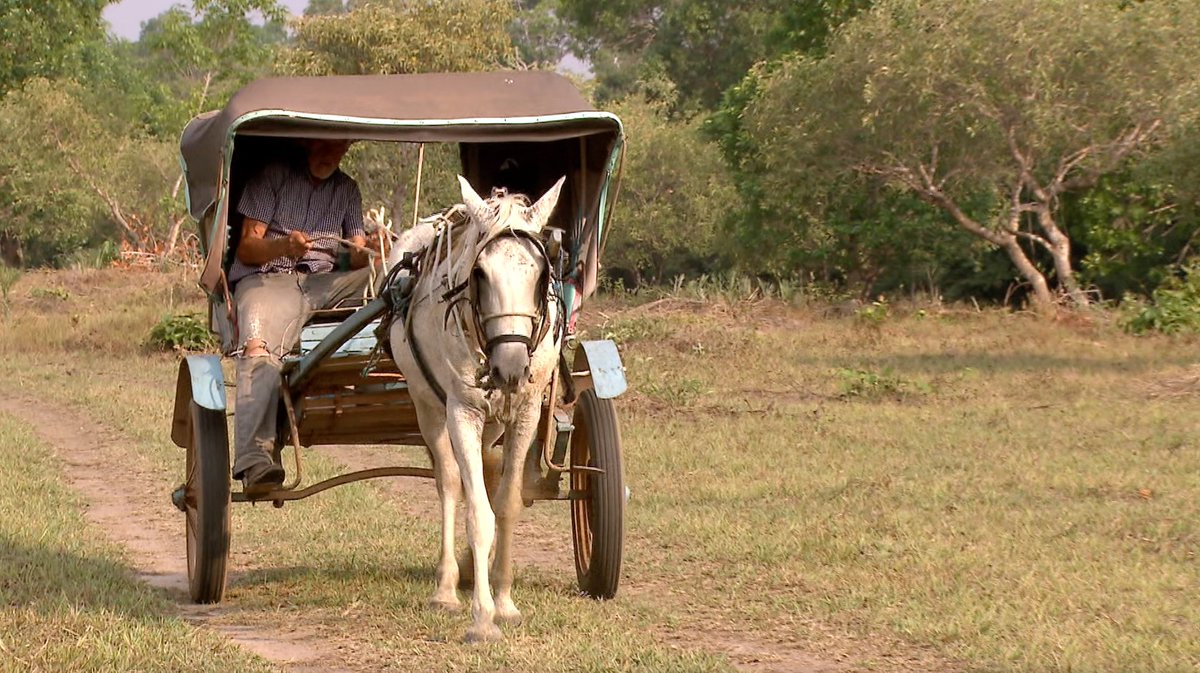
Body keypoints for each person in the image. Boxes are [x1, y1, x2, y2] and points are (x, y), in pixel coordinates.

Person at [228, 138, 381, 494]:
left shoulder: (347, 189)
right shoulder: (273, 177)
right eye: (325, 144)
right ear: (306, 141)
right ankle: (256, 459)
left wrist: (369, 252)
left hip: (326, 285)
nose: (332, 154)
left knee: (390, 282)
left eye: (340, 147)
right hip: (268, 278)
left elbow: (356, 252)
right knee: (257, 346)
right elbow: (248, 248)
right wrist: (284, 245)